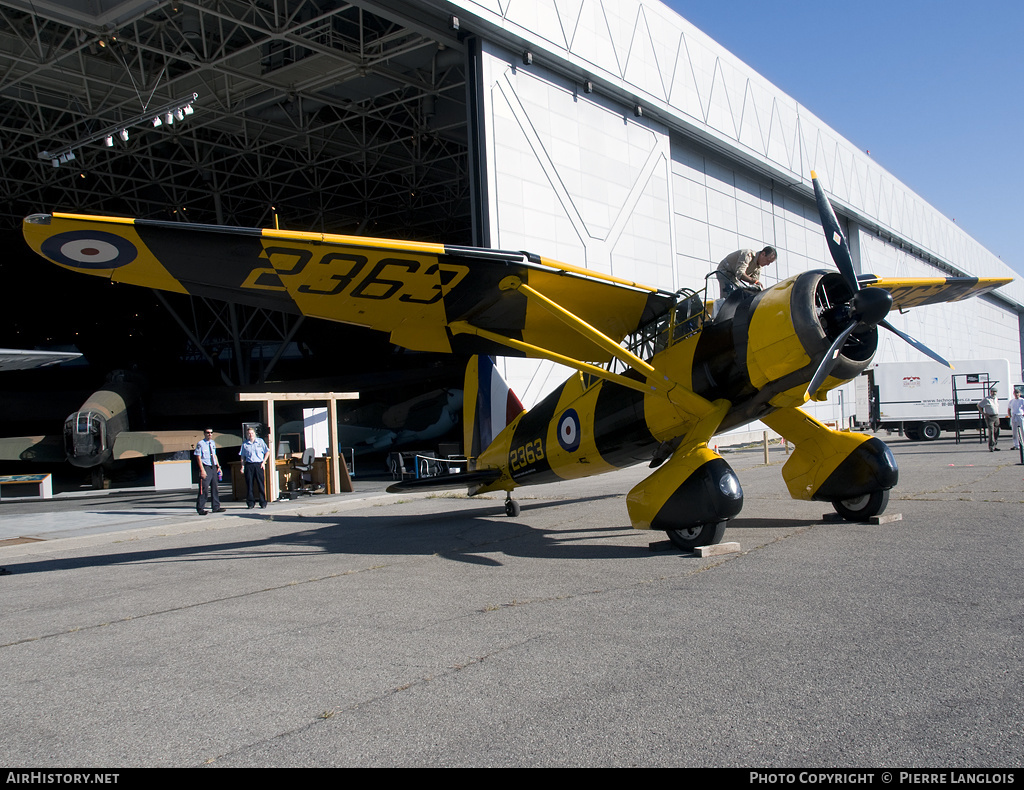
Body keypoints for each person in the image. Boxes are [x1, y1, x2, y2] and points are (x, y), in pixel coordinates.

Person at [195, 428, 225, 514]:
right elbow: (198, 457)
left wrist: (218, 466)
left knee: (215, 487)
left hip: (213, 466)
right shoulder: (200, 444)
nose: (210, 434)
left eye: (211, 433)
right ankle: (200, 508)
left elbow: (214, 455)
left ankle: (216, 507)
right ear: (204, 433)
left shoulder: (212, 443)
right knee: (204, 488)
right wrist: (202, 470)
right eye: (208, 433)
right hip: (206, 467)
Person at [240, 426, 271, 509]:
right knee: (249, 484)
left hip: (258, 464)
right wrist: (242, 466)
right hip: (249, 465)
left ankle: (263, 502)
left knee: (260, 484)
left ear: (255, 434)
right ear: (247, 435)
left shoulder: (260, 442)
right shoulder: (245, 444)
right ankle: (250, 503)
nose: (251, 435)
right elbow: (242, 456)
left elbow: (267, 451)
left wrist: (264, 462)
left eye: (252, 433)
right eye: (249, 434)